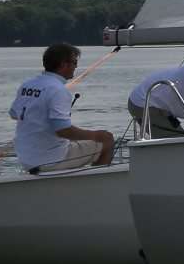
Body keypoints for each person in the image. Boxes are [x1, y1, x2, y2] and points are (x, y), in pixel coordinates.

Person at [8, 42, 115, 173]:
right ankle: (97, 181)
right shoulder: (58, 90)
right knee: (107, 139)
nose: (76, 67)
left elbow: (14, 114)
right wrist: (96, 135)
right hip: (51, 159)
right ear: (64, 64)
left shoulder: (27, 85)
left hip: (26, 158)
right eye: (75, 63)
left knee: (76, 142)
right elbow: (63, 131)